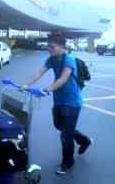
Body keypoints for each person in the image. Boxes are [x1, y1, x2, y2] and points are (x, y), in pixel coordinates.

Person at [23, 33, 92, 175]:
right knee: (59, 126)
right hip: (59, 100)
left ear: (61, 47)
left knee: (65, 135)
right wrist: (26, 84)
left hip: (72, 102)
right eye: (48, 46)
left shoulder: (69, 60)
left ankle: (67, 163)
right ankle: (84, 140)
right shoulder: (52, 59)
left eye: (51, 46)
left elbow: (63, 79)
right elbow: (39, 72)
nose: (49, 49)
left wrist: (47, 89)